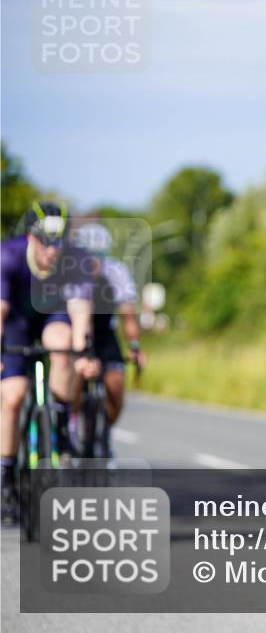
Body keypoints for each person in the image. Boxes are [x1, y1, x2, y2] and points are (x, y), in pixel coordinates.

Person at [0, 202, 100, 524]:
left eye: (60, 242)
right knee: (13, 395)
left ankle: (58, 416)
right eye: (47, 242)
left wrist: (82, 352)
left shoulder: (76, 259)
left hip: (51, 316)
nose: (54, 251)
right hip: (15, 321)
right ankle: (5, 477)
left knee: (62, 344)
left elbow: (80, 310)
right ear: (31, 238)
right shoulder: (9, 256)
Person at [71, 222, 146, 454]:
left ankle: (104, 433)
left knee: (116, 384)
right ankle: (71, 424)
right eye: (89, 255)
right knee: (75, 375)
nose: (94, 260)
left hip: (104, 333)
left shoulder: (116, 272)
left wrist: (134, 346)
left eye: (99, 255)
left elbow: (129, 315)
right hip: (76, 330)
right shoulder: (70, 273)